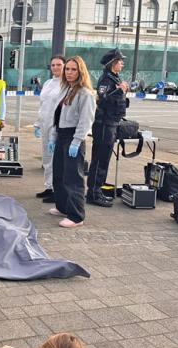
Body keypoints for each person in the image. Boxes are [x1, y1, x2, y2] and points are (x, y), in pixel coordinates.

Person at [48, 56, 95, 228]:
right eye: (67, 69)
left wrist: (77, 141)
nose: (69, 72)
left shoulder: (85, 94)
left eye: (73, 69)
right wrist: (53, 137)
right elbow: (57, 116)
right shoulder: (65, 89)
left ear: (80, 71)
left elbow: (86, 121)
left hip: (73, 137)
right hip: (61, 135)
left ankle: (76, 215)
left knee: (73, 178)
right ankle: (63, 206)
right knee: (59, 174)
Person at [86, 49, 128, 208]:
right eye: (120, 61)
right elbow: (102, 101)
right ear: (113, 63)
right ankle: (94, 193)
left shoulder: (114, 78)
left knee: (104, 159)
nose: (122, 63)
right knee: (100, 160)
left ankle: (96, 191)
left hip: (111, 123)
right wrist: (120, 90)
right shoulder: (106, 80)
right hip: (104, 124)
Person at [34, 56, 66, 203]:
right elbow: (43, 105)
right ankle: (49, 186)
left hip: (56, 126)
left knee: (55, 159)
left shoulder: (66, 85)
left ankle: (57, 190)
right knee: (47, 158)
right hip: (45, 124)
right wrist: (37, 124)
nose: (55, 67)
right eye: (53, 65)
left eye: (59, 65)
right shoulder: (47, 83)